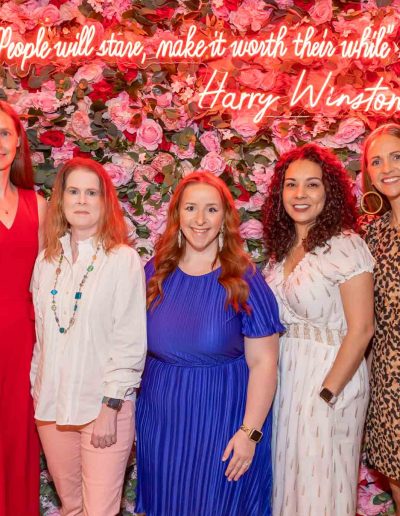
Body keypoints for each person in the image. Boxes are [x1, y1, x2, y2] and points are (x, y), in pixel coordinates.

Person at [135, 171, 284, 516]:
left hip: (222, 423)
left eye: (211, 210)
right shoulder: (154, 273)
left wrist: (250, 433)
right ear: (177, 215)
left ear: (225, 218)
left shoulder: (243, 278)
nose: (200, 220)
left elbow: (264, 364)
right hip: (161, 424)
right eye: (190, 208)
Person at [263, 143, 375, 516]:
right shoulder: (281, 252)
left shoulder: (346, 246)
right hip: (286, 380)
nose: (300, 194)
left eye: (312, 185)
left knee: (322, 487)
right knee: (288, 483)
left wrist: (328, 393)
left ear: (329, 191)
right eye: (291, 185)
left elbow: (361, 328)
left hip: (330, 380)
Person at [30, 157, 146, 516]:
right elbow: (41, 336)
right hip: (52, 410)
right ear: (61, 201)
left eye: (91, 193)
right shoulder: (46, 261)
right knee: (72, 507)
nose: (82, 200)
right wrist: (37, 392)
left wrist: (111, 407)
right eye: (74, 192)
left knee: (99, 511)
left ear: (104, 202)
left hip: (102, 409)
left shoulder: (122, 260)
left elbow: (129, 340)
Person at [0, 100, 47, 516]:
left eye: (4, 133)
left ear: (18, 142)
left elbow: (54, 279)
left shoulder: (40, 205)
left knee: (19, 437)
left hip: (25, 342)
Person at [360, 123, 400, 515]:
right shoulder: (372, 236)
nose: (386, 167)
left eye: (396, 156)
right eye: (376, 160)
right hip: (388, 382)